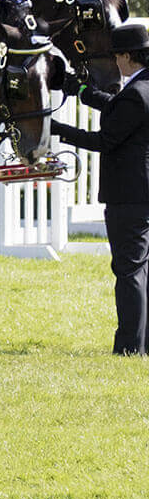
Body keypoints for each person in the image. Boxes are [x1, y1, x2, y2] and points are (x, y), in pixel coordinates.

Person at [52, 23, 149, 356]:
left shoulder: (136, 94)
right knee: (140, 269)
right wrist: (80, 91)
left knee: (129, 270)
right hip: (140, 192)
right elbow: (117, 107)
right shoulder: (141, 89)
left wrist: (57, 128)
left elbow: (104, 140)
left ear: (127, 57)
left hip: (129, 195)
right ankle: (141, 343)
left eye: (117, 56)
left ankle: (129, 346)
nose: (115, 63)